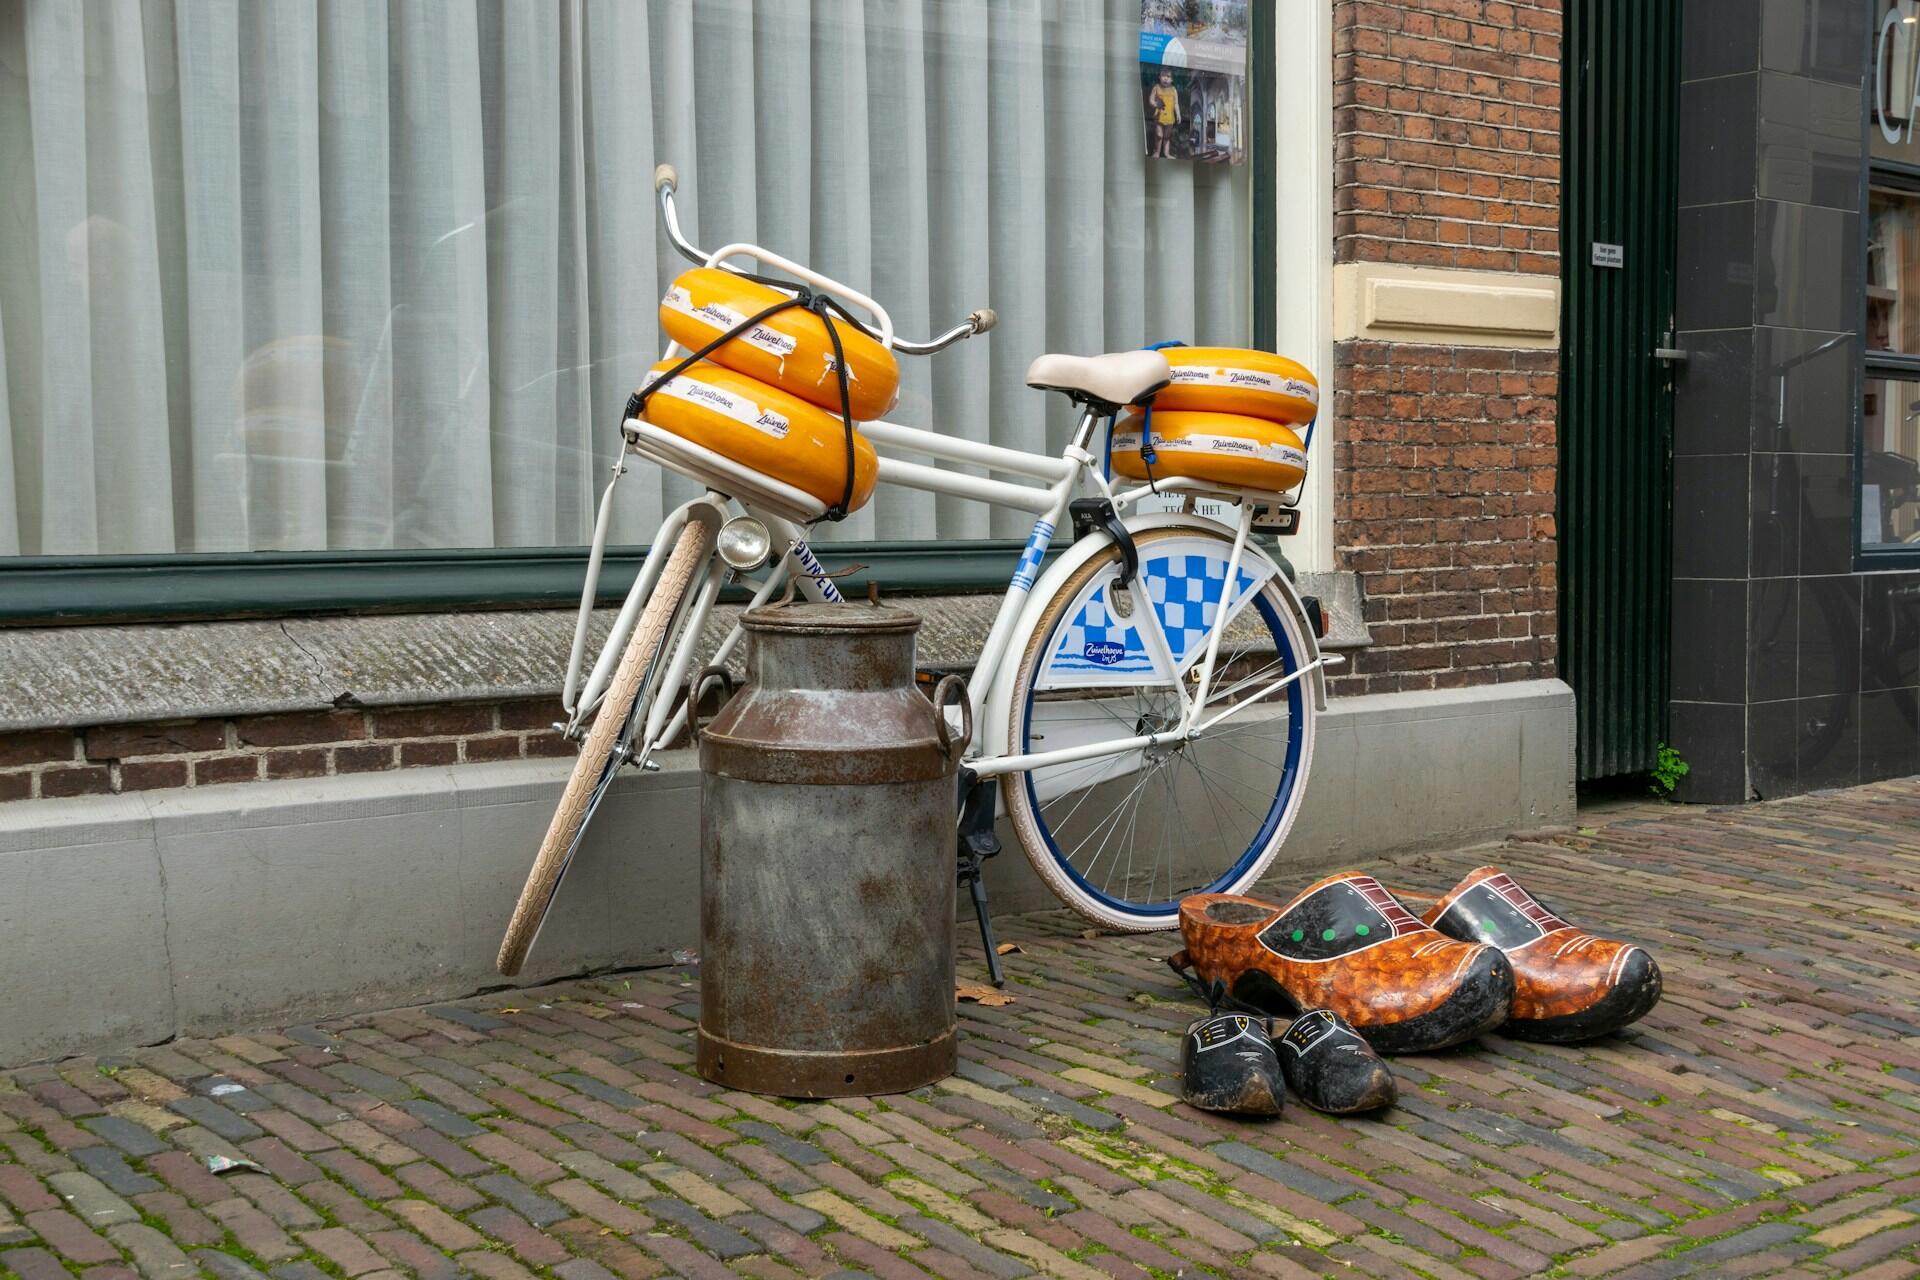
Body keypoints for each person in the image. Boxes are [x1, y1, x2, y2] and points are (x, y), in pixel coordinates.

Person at [1146, 69, 1180, 158]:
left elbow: (1176, 103)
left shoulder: (1173, 89)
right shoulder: (1156, 88)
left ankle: (1166, 153)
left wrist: (1178, 114)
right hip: (1159, 117)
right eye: (1163, 76)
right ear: (1159, 77)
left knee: (1167, 136)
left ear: (1172, 79)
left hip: (1170, 118)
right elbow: (1151, 100)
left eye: (1168, 76)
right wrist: (1155, 104)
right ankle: (1156, 152)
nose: (1165, 79)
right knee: (1159, 135)